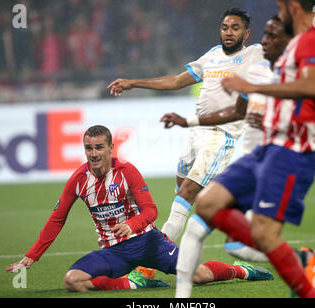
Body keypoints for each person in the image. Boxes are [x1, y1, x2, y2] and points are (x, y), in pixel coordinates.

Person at [175, 0, 315, 298]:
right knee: (207, 204)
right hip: (262, 153)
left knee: (259, 235)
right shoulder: (274, 59)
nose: (265, 41)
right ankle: (181, 300)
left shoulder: (313, 42)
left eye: (271, 34)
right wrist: (189, 120)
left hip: (288, 153)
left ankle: (303, 276)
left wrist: (310, 146)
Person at [6, 125, 273, 292]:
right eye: (89, 148)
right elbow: (57, 219)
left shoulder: (127, 172)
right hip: (113, 251)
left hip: (148, 242)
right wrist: (32, 255)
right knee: (73, 281)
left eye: (100, 147)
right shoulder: (78, 180)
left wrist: (131, 225)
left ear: (111, 148)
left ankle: (240, 270)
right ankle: (134, 282)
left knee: (200, 276)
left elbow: (151, 210)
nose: (94, 153)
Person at [107, 8, 267, 269]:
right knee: (184, 191)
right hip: (195, 134)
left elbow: (284, 45)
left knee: (186, 194)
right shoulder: (212, 56)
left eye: (235, 28)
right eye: (225, 27)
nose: (228, 32)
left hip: (221, 136)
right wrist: (133, 83)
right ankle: (240, 231)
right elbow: (174, 81)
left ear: (246, 33)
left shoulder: (254, 54)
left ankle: (148, 266)